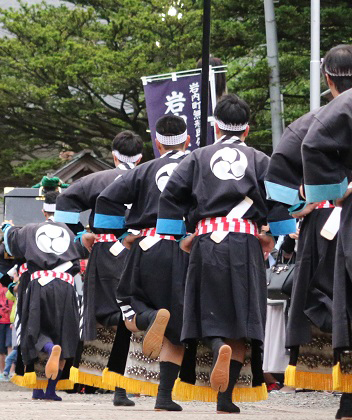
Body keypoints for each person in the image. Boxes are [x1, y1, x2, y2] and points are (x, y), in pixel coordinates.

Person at [158, 93, 294, 414]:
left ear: (216, 127)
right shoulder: (262, 160)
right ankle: (225, 399)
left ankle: (216, 346)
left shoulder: (197, 157)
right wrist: (273, 236)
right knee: (242, 318)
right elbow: (280, 201)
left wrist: (180, 236)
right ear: (247, 130)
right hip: (246, 243)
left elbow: (170, 196)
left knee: (206, 311)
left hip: (206, 242)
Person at [94, 114, 193, 411]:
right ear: (188, 140)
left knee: (129, 305)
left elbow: (106, 200)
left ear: (157, 143)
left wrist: (122, 233)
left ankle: (149, 318)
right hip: (185, 247)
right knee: (178, 321)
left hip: (145, 245)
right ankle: (164, 397)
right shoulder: (197, 163)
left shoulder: (144, 169)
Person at [53, 130, 144, 406]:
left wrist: (81, 234)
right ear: (140, 157)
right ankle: (129, 382)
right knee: (139, 310)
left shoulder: (98, 179)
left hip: (105, 251)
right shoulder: (149, 177)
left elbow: (64, 201)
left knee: (107, 314)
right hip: (142, 250)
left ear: (113, 156)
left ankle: (110, 380)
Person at [0, 191, 85, 401]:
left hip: (38, 285)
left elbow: (10, 241)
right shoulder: (72, 231)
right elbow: (84, 251)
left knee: (34, 331)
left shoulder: (30, 229)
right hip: (66, 286)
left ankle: (42, 374)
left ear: (43, 211)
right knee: (62, 332)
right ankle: (50, 391)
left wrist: (7, 226)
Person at [299, 44, 352, 419]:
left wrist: (330, 191)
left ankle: (350, 399)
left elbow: (309, 144)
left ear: (329, 79)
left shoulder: (339, 107)